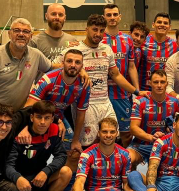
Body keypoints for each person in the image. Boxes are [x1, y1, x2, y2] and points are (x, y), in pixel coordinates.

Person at [60, 117, 160, 191]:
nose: (108, 135)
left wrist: (129, 190)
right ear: (98, 133)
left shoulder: (124, 154)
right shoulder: (87, 154)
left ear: (117, 133)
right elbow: (79, 182)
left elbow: (125, 183)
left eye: (112, 132)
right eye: (105, 132)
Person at [55, 14, 142, 151]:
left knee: (111, 139)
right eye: (95, 29)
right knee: (85, 146)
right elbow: (52, 67)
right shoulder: (74, 50)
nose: (98, 34)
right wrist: (79, 70)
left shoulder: (107, 49)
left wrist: (136, 91)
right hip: (85, 105)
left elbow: (116, 75)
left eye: (101, 30)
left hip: (105, 103)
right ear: (87, 29)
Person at [0, 18, 53, 129]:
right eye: (16, 30)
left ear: (31, 36)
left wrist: (76, 67)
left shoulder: (36, 55)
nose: (21, 34)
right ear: (9, 34)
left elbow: (52, 67)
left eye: (26, 31)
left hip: (16, 117)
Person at [5, 101, 72, 191]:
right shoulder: (20, 134)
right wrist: (18, 178)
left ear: (52, 119)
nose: (42, 122)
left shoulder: (54, 130)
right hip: (19, 179)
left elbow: (61, 156)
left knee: (66, 172)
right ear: (32, 117)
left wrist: (46, 171)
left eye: (47, 118)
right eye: (39, 117)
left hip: (39, 177)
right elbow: (8, 165)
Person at [25, 49, 90, 155]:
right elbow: (28, 107)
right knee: (38, 149)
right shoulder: (48, 79)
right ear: (63, 63)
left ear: (82, 66)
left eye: (77, 62)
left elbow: (81, 113)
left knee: (72, 150)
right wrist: (24, 128)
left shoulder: (84, 85)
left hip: (59, 116)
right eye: (69, 61)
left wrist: (75, 140)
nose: (73, 65)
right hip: (40, 117)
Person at [102, 3, 140, 147]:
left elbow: (131, 66)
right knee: (103, 132)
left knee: (126, 133)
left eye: (115, 14)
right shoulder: (98, 38)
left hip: (122, 94)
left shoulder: (127, 39)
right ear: (104, 17)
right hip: (102, 94)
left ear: (120, 17)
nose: (112, 17)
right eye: (109, 15)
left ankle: (123, 159)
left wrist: (136, 91)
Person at [128, 69, 179, 169]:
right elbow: (133, 128)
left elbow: (177, 128)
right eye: (156, 82)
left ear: (167, 83)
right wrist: (151, 138)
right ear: (150, 83)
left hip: (165, 146)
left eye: (162, 82)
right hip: (141, 145)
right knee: (127, 158)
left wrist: (169, 132)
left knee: (158, 169)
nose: (159, 85)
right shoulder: (140, 101)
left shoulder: (175, 102)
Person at [138, 12, 178, 91]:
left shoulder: (175, 45)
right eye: (159, 22)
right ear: (153, 25)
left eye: (165, 23)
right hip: (144, 91)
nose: (162, 25)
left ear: (170, 27)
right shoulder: (143, 41)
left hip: (165, 91)